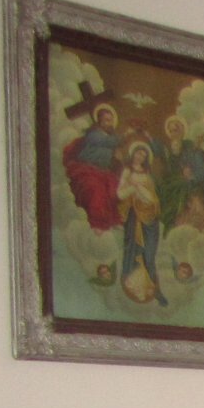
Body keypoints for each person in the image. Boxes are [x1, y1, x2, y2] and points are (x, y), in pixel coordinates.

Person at [117, 140, 168, 305]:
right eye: (139, 153)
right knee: (134, 252)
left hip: (150, 218)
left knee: (150, 255)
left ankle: (154, 289)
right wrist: (134, 189)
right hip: (135, 217)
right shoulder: (127, 171)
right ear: (133, 153)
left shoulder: (147, 174)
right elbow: (120, 194)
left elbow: (153, 197)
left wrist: (146, 195)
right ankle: (133, 287)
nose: (141, 157)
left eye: (144, 155)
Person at [61, 98, 123, 232]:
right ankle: (97, 223)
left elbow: (113, 160)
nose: (109, 123)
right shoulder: (94, 135)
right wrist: (113, 151)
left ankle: (112, 221)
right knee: (96, 190)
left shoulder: (110, 137)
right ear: (99, 121)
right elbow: (105, 144)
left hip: (104, 172)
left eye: (111, 120)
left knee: (113, 189)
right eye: (106, 120)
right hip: (88, 170)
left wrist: (116, 160)